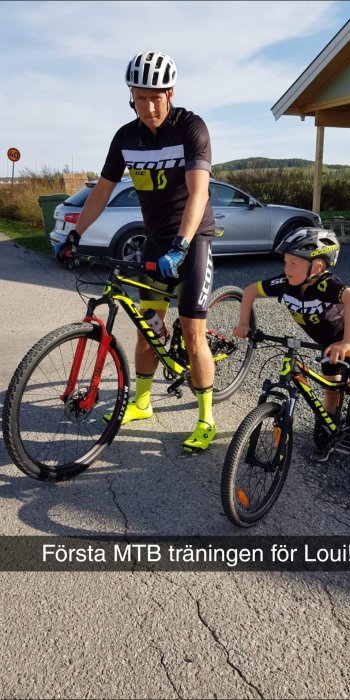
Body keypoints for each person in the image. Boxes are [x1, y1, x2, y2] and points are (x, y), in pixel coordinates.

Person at [54, 50, 216, 453]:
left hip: (190, 239)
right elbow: (101, 193)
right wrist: (74, 236)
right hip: (156, 239)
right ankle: (142, 403)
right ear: (131, 96)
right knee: (147, 326)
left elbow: (199, 193)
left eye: (155, 97)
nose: (147, 106)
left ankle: (206, 417)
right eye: (139, 97)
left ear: (170, 92)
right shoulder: (126, 137)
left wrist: (181, 246)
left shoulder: (191, 127)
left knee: (194, 336)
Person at [233, 227, 350, 495]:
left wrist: (346, 342)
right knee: (330, 392)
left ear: (317, 265)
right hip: (328, 346)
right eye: (285, 262)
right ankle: (333, 435)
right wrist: (242, 323)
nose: (287, 268)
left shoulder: (326, 284)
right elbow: (249, 291)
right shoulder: (286, 284)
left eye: (293, 263)